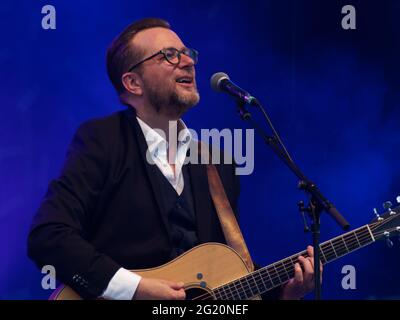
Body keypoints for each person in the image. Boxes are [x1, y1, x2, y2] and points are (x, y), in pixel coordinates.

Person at [27, 17, 321, 300]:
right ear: (133, 83)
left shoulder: (217, 163)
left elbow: (226, 272)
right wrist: (135, 289)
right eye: (168, 55)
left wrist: (285, 292)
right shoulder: (103, 140)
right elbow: (49, 237)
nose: (189, 61)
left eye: (186, 52)